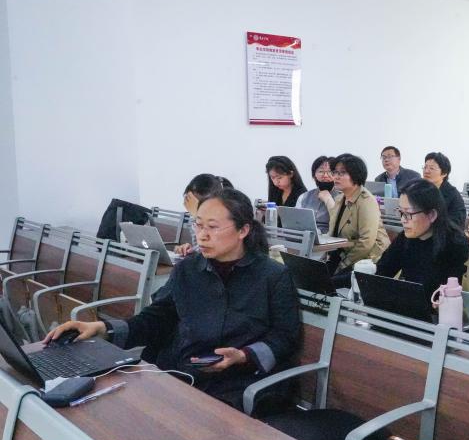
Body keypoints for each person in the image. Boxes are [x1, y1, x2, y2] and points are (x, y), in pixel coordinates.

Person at [45, 188, 301, 410]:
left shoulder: (272, 275)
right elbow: (157, 317)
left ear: (243, 230)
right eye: (198, 225)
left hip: (237, 381)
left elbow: (285, 336)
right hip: (182, 370)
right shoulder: (188, 269)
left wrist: (244, 355)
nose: (202, 235)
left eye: (212, 227)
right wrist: (103, 329)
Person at [375, 179, 469, 295]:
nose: (403, 220)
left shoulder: (457, 246)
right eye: (400, 212)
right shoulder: (406, 238)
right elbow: (382, 272)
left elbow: (456, 295)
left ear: (432, 215)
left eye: (408, 214)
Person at [326, 154, 390, 285]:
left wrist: (343, 265)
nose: (336, 177)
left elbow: (366, 242)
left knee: (332, 283)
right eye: (335, 172)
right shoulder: (339, 199)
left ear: (355, 175)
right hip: (343, 254)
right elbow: (333, 233)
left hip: (368, 259)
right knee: (315, 277)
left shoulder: (366, 201)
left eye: (342, 173)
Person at [176, 174, 230, 257]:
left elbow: (209, 254)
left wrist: (197, 217)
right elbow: (202, 249)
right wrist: (191, 249)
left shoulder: (225, 220)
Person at [422, 151, 466, 229]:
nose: (426, 171)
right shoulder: (419, 189)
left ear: (444, 173)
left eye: (431, 168)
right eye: (425, 167)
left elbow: (457, 224)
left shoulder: (453, 195)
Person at [296, 155, 339, 232]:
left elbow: (339, 222)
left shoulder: (342, 197)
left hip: (329, 236)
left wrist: (328, 199)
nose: (325, 175)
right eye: (321, 171)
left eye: (330, 172)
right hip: (306, 235)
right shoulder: (304, 197)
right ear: (314, 176)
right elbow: (297, 221)